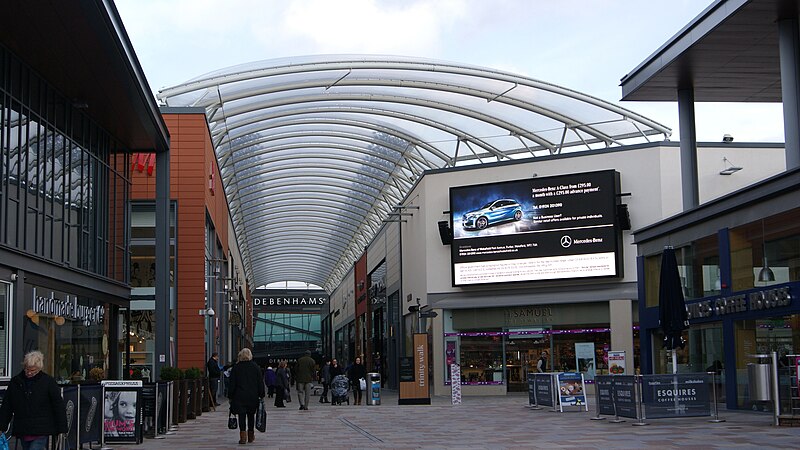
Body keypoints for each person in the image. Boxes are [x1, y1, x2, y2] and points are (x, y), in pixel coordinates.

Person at [0, 350, 68, 450]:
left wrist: (62, 428)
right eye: (27, 369)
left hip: (41, 429)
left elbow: (58, 405)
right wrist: (2, 426)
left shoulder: (48, 382)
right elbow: (7, 406)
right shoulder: (15, 382)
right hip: (24, 428)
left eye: (33, 370)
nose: (29, 373)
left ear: (39, 369)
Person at [228, 348, 265, 445]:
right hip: (252, 396)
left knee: (241, 416)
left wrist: (230, 396)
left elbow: (232, 384)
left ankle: (243, 437)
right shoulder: (255, 367)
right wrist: (261, 394)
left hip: (239, 396)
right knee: (251, 415)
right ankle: (251, 436)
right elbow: (260, 382)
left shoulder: (236, 368)